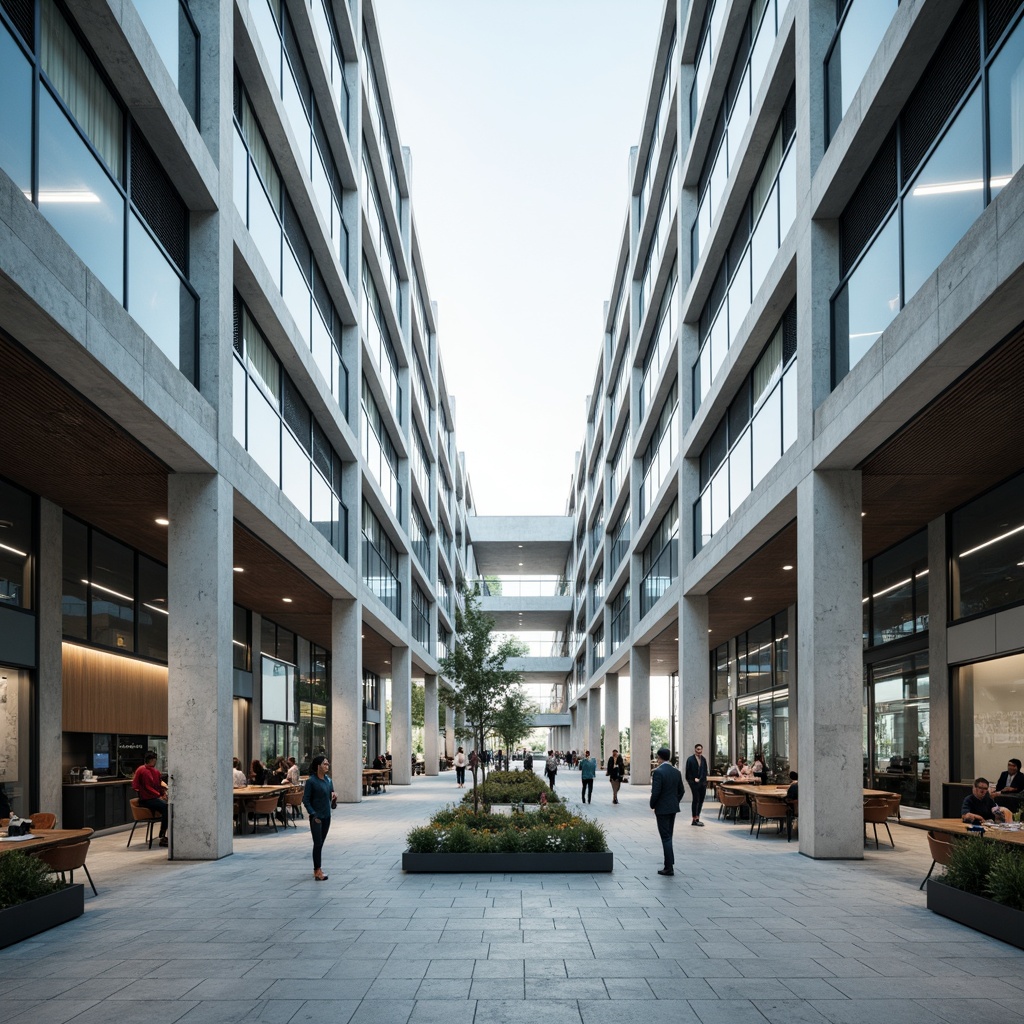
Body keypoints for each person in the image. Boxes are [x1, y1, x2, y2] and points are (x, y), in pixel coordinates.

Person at [650, 746, 685, 876]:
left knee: (665, 837)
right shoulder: (676, 772)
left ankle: (668, 866)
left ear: (659, 757)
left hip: (662, 809)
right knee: (669, 836)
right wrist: (675, 801)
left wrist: (653, 804)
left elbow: (656, 792)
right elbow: (681, 791)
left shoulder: (658, 772)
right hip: (673, 808)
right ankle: (669, 863)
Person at [302, 754, 336, 881]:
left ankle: (317, 868)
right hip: (317, 817)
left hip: (327, 816)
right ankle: (317, 870)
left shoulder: (328, 780)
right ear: (318, 766)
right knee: (317, 843)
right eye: (324, 764)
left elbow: (331, 800)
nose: (327, 766)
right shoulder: (311, 781)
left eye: (328, 764)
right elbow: (305, 800)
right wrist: (313, 814)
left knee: (320, 843)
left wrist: (334, 800)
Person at [132, 750, 169, 847]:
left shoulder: (152, 771)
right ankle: (162, 835)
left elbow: (158, 784)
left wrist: (162, 793)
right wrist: (159, 794)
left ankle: (164, 834)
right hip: (146, 800)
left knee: (168, 807)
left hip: (152, 798)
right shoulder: (142, 770)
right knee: (166, 808)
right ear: (153, 760)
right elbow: (148, 787)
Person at [684, 743, 709, 827]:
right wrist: (692, 780)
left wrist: (703, 781)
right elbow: (688, 773)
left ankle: (698, 818)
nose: (699, 751)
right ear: (695, 750)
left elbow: (705, 771)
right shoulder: (690, 759)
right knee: (696, 800)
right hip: (694, 783)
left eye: (700, 749)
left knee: (701, 800)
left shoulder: (704, 759)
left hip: (702, 783)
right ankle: (694, 819)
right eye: (697, 749)